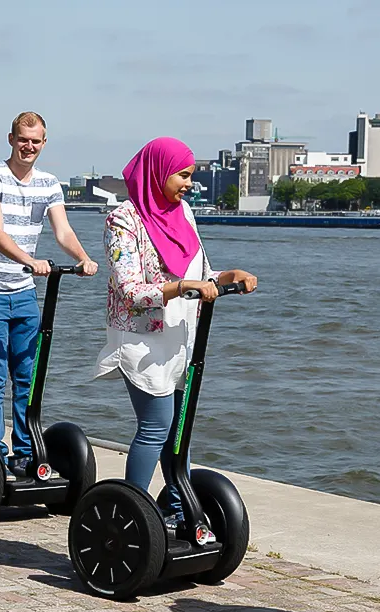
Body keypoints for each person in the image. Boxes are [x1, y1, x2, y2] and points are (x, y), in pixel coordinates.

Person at [93, 137, 257, 529]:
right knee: (155, 427)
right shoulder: (123, 220)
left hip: (182, 337)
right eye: (182, 174)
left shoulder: (183, 212)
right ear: (157, 171)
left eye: (191, 175)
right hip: (143, 339)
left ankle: (176, 509)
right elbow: (130, 289)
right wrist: (186, 287)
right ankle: (128, 515)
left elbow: (199, 275)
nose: (189, 183)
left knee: (178, 431)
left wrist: (227, 276)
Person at [0, 111, 97, 475]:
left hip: (23, 289)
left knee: (27, 374)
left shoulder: (49, 184)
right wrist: (30, 260)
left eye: (36, 141)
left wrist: (84, 258)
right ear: (11, 139)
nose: (29, 146)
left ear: (44, 143)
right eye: (23, 139)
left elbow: (63, 232)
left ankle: (25, 452)